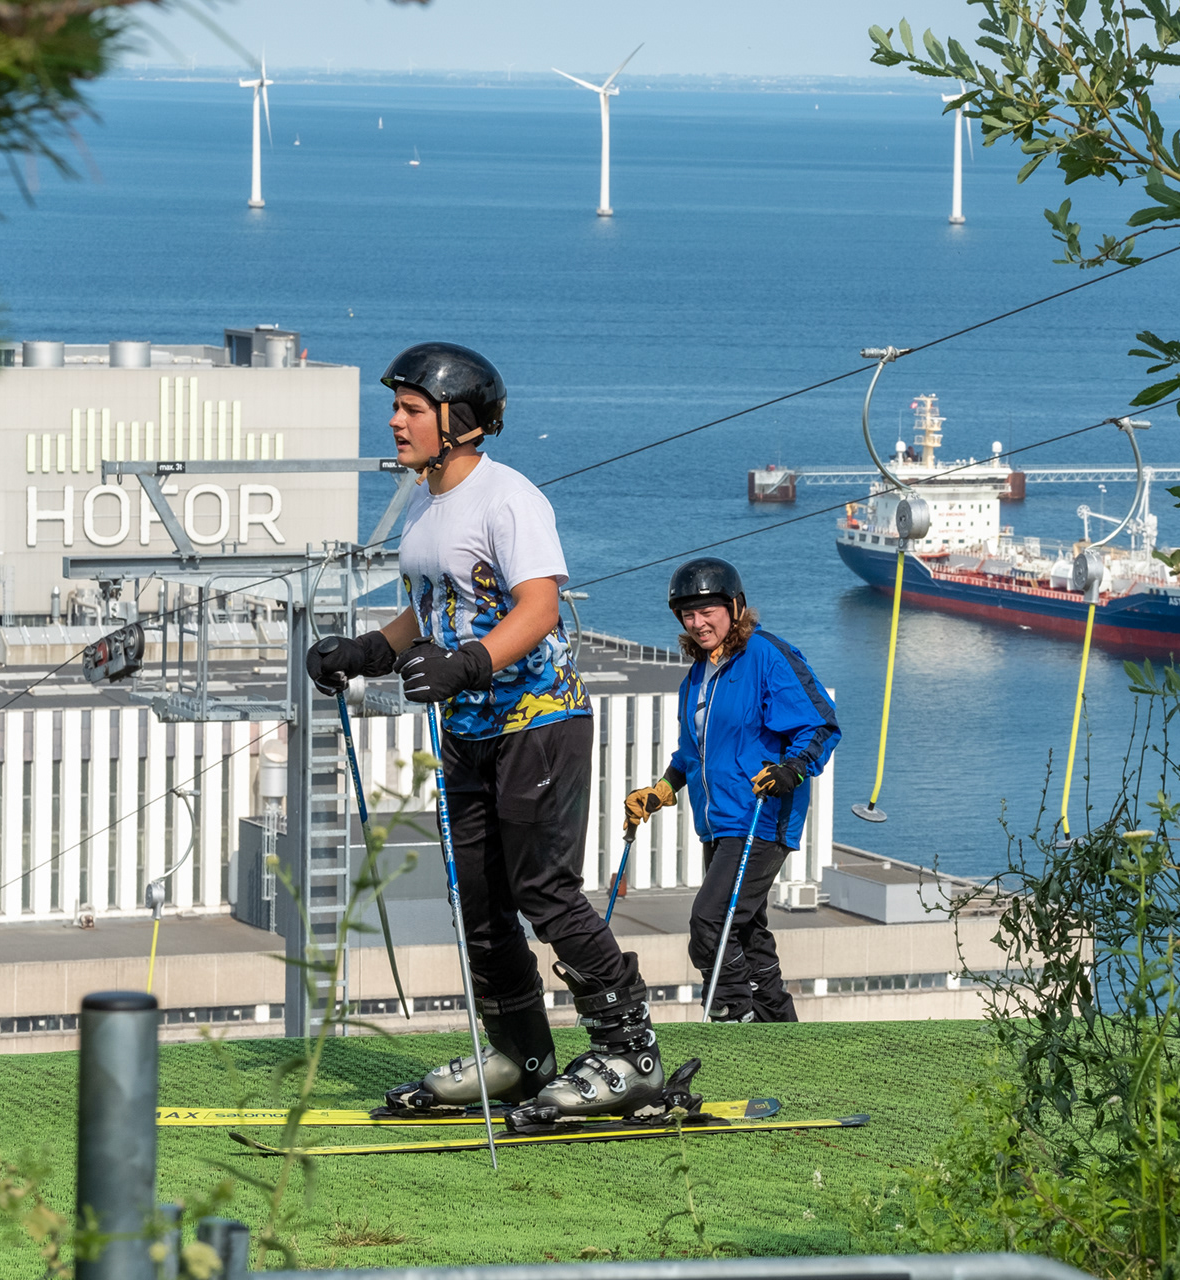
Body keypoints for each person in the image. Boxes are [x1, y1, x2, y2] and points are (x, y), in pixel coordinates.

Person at [306, 341, 666, 1119]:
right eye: (395, 407)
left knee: (545, 891)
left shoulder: (509, 498)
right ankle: (521, 1053)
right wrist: (368, 650)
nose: (395, 422)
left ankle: (631, 1053)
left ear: (458, 421)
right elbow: (431, 609)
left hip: (539, 722)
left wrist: (467, 665)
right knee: (479, 900)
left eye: (410, 409)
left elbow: (537, 607)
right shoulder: (430, 509)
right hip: (469, 731)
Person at [624, 558, 840, 1023]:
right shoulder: (697, 675)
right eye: (687, 614)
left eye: (708, 611)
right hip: (718, 823)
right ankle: (780, 1032)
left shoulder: (764, 654)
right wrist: (662, 788)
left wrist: (792, 769)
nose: (698, 623)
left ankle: (730, 1014)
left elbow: (820, 725)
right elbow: (693, 752)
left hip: (759, 817)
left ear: (735, 606)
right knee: (747, 933)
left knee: (711, 923)